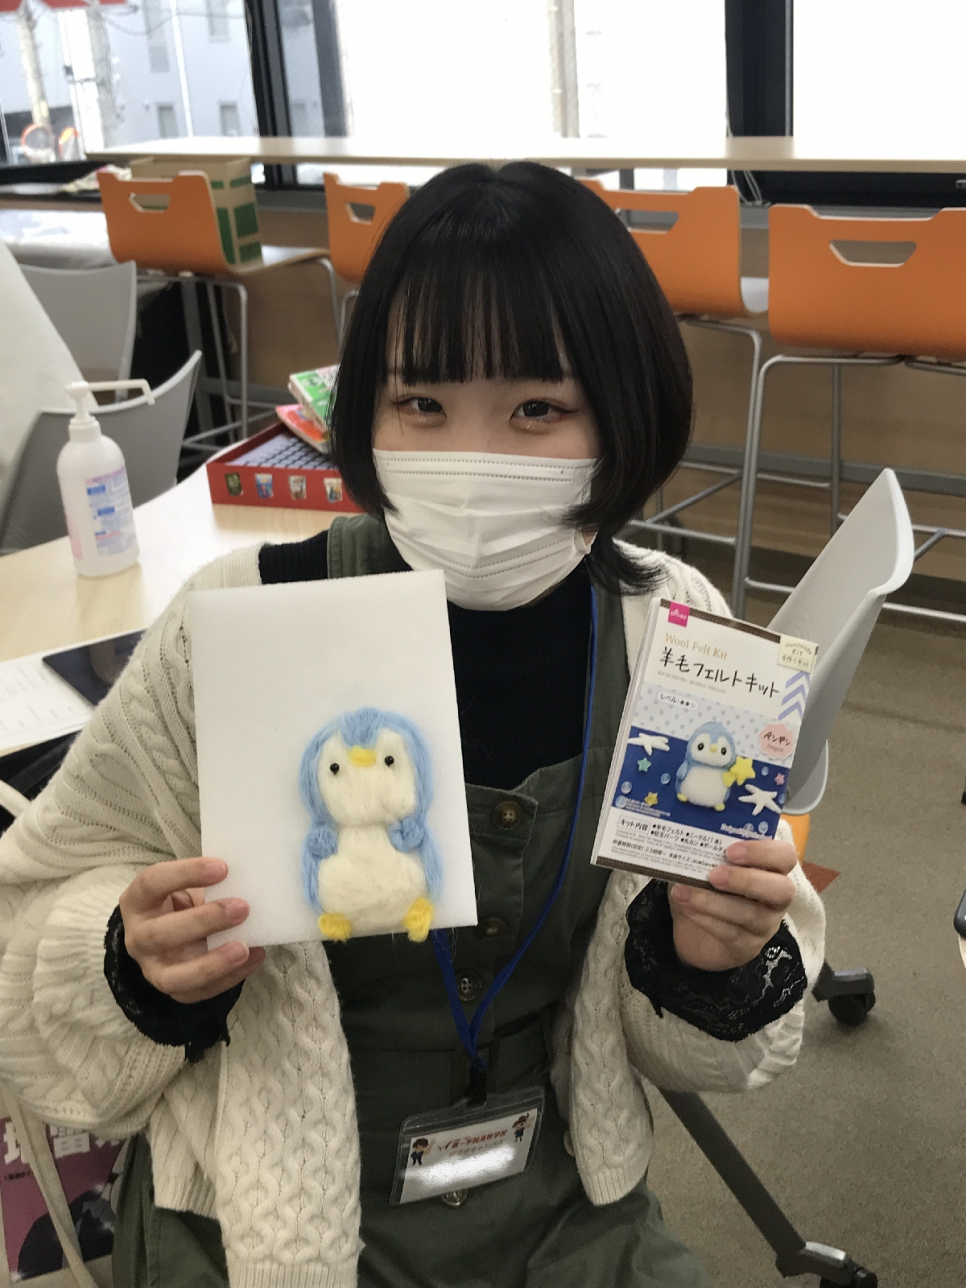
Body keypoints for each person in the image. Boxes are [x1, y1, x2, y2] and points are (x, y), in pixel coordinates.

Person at [0, 163, 825, 1288]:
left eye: (537, 409)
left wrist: (709, 956)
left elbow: (704, 1046)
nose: (467, 461)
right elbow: (29, 915)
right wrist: (130, 960)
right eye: (421, 405)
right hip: (264, 1202)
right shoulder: (241, 617)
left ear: (621, 410)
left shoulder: (674, 631)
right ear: (364, 411)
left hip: (558, 1185)